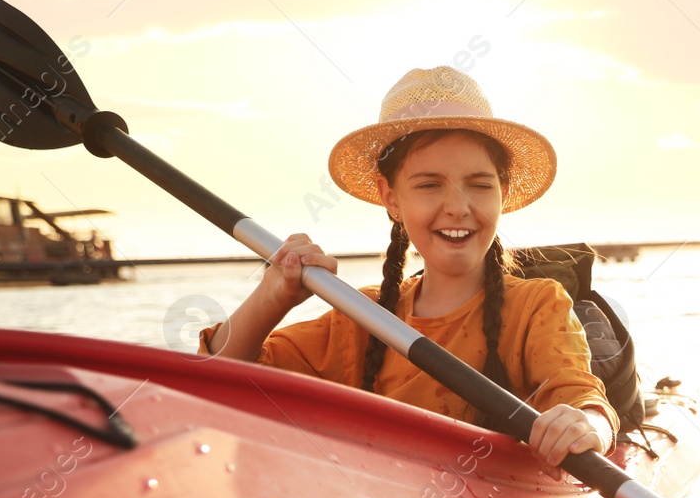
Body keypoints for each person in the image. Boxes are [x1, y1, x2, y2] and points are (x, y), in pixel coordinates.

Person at [199, 66, 617, 466]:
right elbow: (216, 381)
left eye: (480, 184)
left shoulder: (537, 305)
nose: (458, 207)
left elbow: (579, 395)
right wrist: (271, 298)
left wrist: (589, 424)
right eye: (430, 185)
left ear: (503, 193)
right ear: (391, 198)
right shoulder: (360, 319)